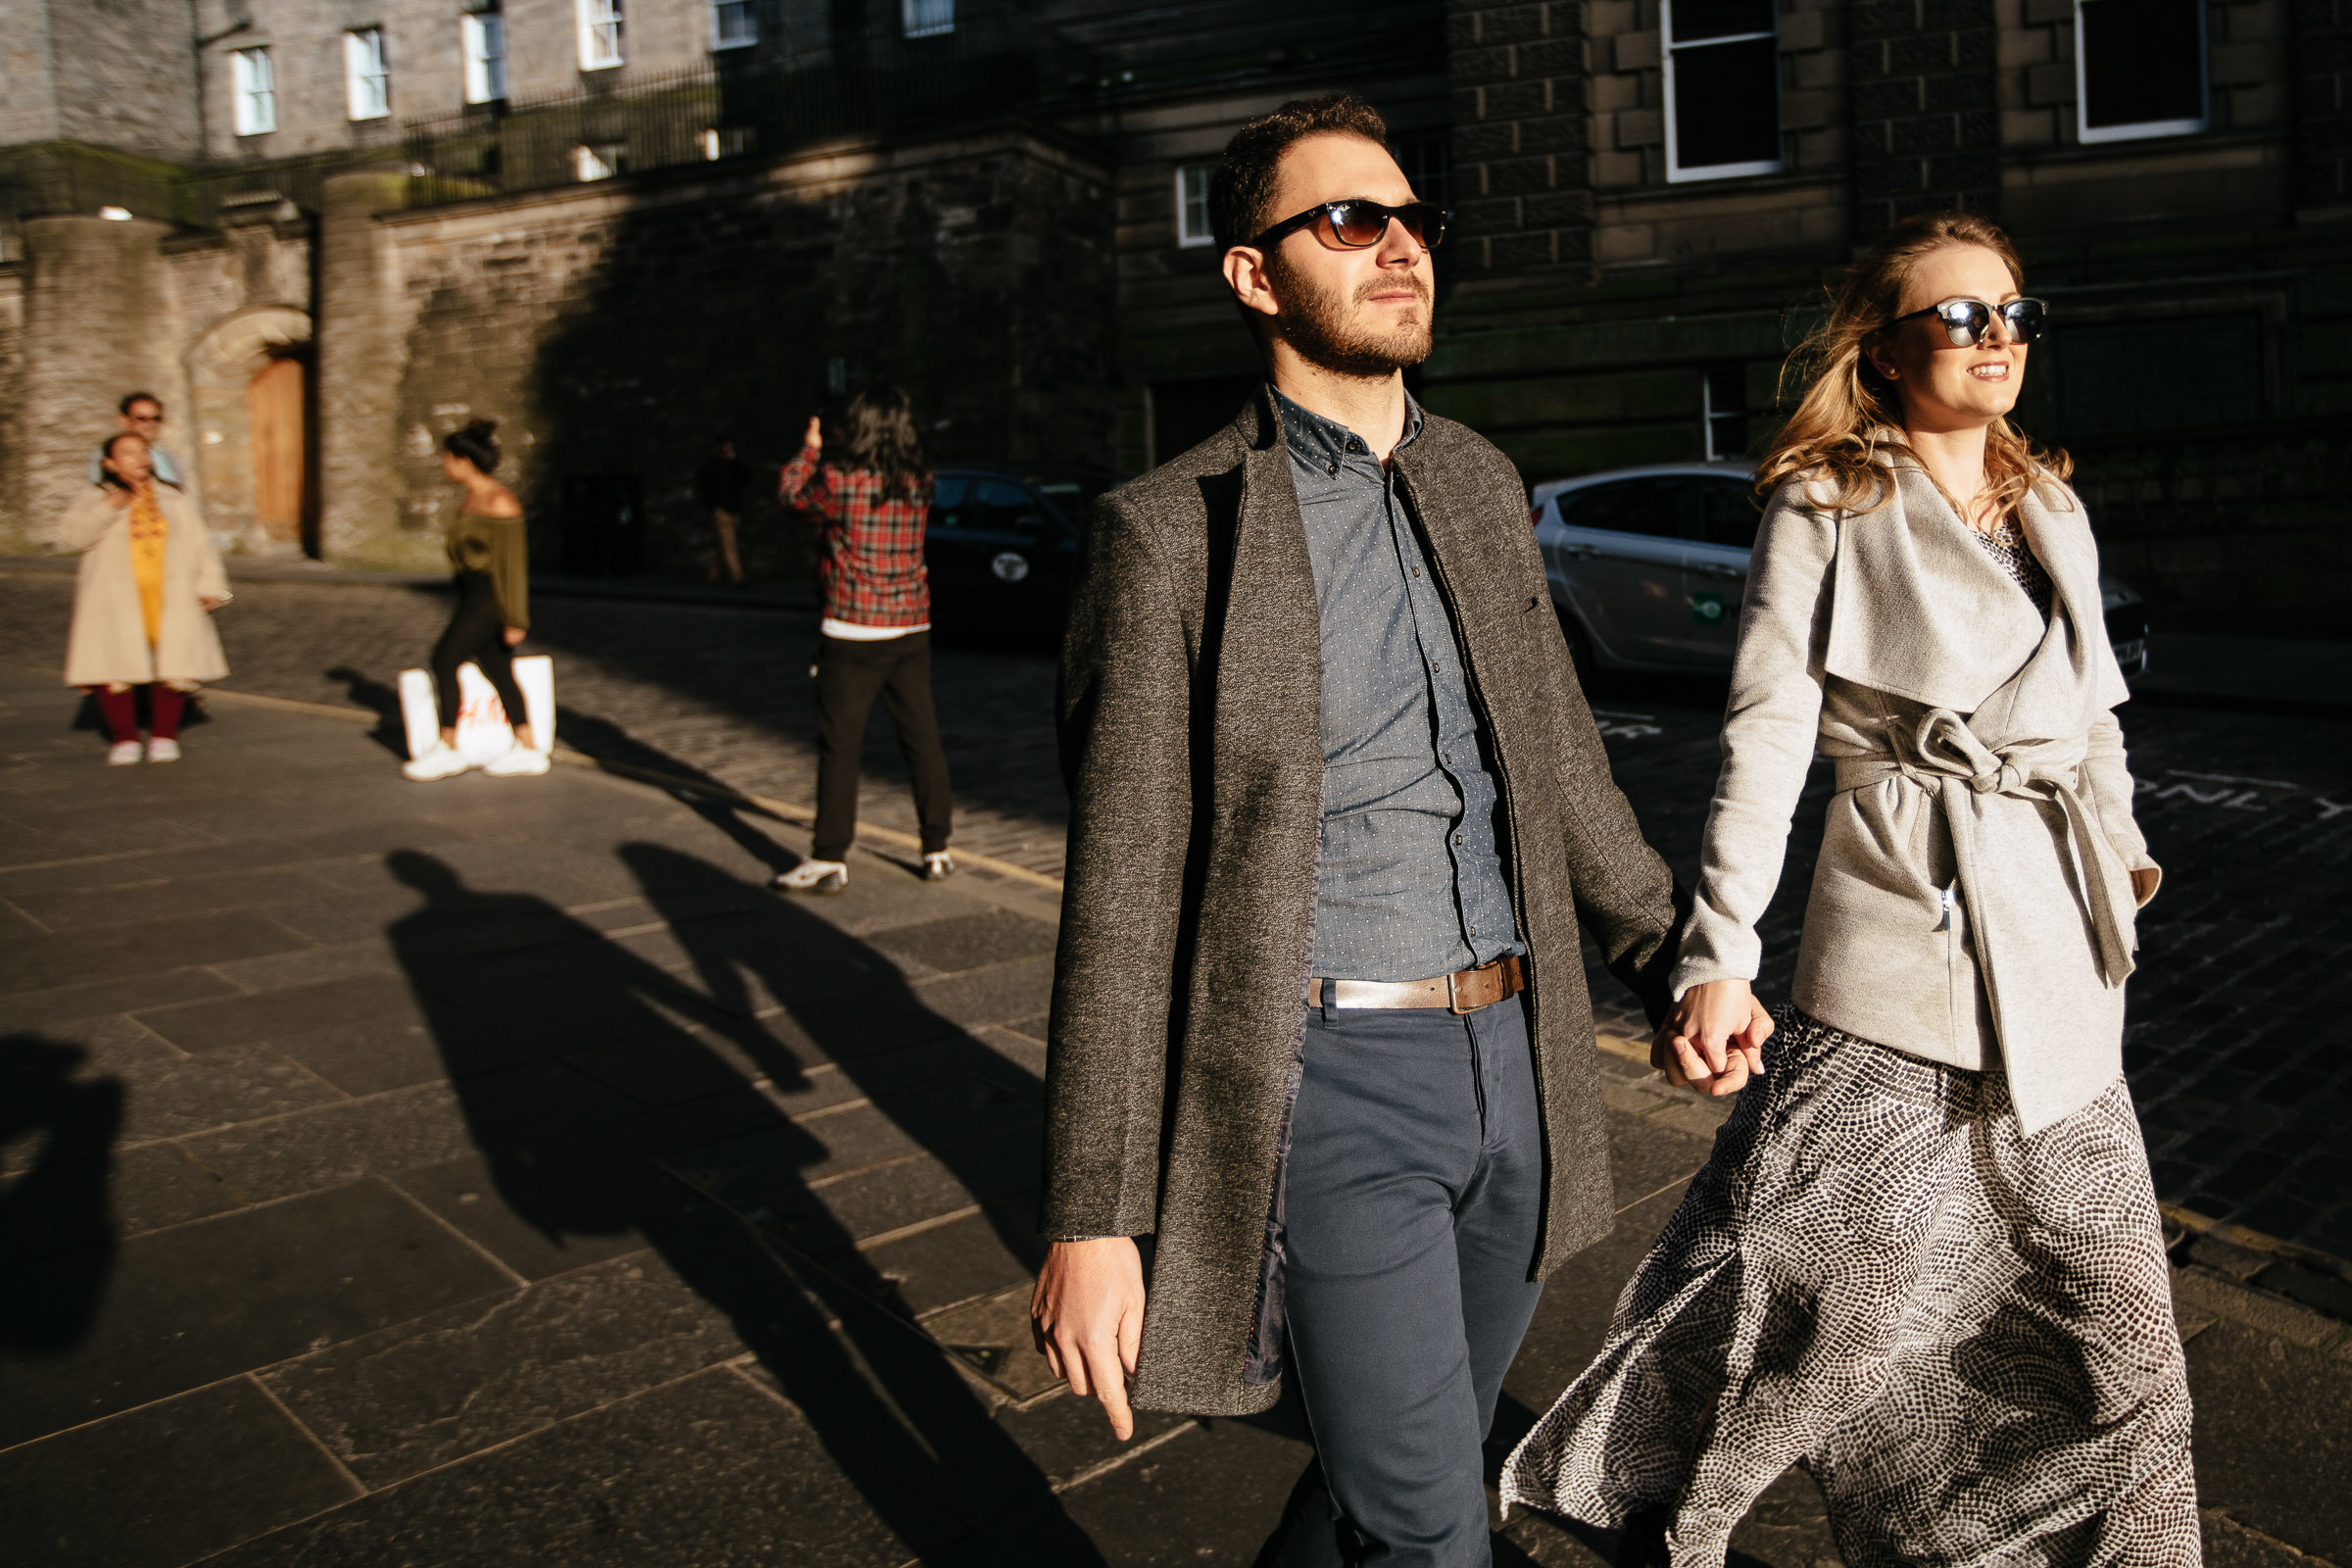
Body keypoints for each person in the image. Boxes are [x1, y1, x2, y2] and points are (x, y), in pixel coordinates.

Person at [1027, 95, 1757, 1568]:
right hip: (1324, 1078)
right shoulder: (1172, 533)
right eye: (1350, 221)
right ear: (1253, 273)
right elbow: (1121, 895)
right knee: (1434, 1526)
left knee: (1399, 1461)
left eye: (1414, 219)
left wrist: (1673, 958)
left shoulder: (1480, 483)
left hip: (1519, 1063)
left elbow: (1560, 778)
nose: (1400, 246)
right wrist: (1092, 1214)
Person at [1503, 214, 2193, 1563]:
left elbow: (2097, 716)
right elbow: (1766, 739)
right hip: (1897, 947)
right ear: (1882, 350)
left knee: (2128, 1329)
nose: (1999, 338)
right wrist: (1718, 956)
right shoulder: (1827, 503)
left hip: (2059, 966)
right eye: (1961, 316)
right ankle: (1654, 1514)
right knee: (1826, 1303)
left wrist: (2120, 856)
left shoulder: (2053, 504)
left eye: (2012, 312)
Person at [771, 385, 955, 891]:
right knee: (922, 740)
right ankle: (937, 847)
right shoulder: (922, 479)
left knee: (841, 746)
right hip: (912, 625)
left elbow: (790, 495)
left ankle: (829, 857)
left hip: (853, 630)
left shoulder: (838, 479)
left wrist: (810, 446)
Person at [54, 432, 228, 764]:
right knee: (115, 665)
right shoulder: (95, 496)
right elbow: (71, 538)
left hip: (170, 594)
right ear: (110, 463)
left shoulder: (174, 497)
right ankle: (124, 737)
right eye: (128, 453)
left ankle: (164, 735)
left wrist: (214, 588)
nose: (139, 458)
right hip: (114, 598)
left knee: (175, 663)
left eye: (143, 451)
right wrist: (111, 506)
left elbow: (201, 545)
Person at [402, 419, 549, 782]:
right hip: (471, 594)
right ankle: (529, 748)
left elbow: (512, 566)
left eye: (447, 458)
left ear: (464, 460)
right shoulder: (472, 500)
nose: (443, 465)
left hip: (488, 598)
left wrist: (516, 619)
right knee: (498, 669)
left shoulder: (500, 501)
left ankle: (448, 747)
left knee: (444, 658)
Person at [87, 393, 184, 489]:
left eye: (155, 418)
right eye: (142, 419)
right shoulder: (108, 456)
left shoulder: (169, 457)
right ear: (124, 421)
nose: (150, 424)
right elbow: (101, 492)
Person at [695, 435, 751, 586]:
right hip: (721, 510)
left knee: (723, 545)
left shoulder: (734, 466)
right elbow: (704, 488)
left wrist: (736, 461)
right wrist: (711, 506)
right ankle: (737, 576)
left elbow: (745, 478)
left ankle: (713, 576)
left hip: (734, 508)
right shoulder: (711, 466)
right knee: (728, 544)